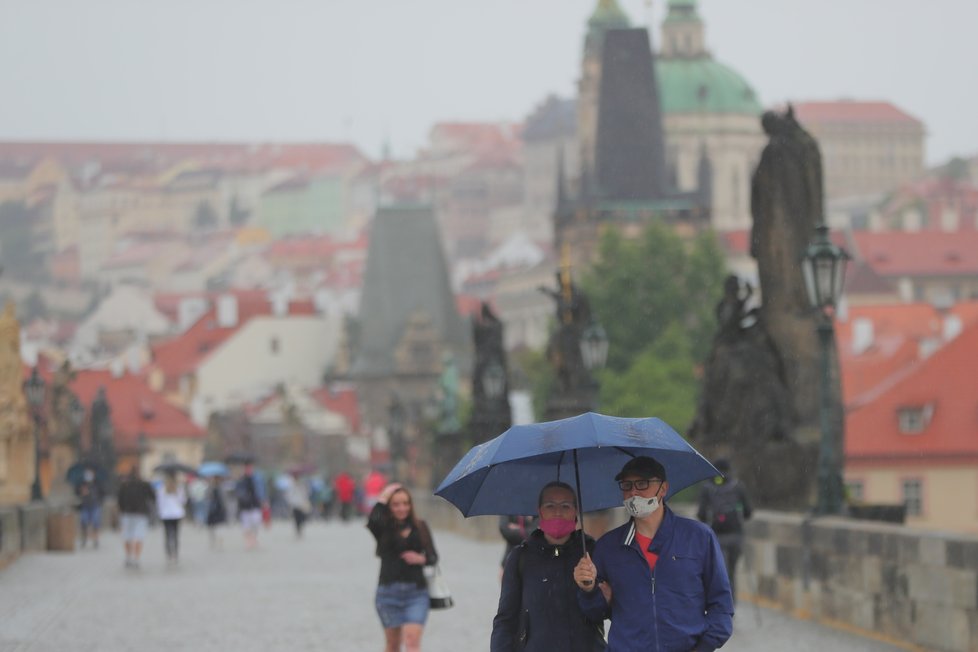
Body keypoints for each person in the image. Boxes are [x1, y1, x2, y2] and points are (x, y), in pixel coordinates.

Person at [574, 456, 733, 651]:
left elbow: (722, 606)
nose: (633, 492)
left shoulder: (699, 537)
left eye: (642, 484)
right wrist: (588, 590)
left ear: (663, 488)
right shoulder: (608, 547)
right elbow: (595, 614)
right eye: (626, 485)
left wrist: (703, 647)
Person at [491, 481, 606, 652]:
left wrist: (589, 590)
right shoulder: (520, 557)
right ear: (540, 512)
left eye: (566, 506)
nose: (558, 512)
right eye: (550, 506)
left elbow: (606, 613)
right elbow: (506, 620)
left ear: (576, 512)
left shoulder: (593, 553)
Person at [367, 483, 439, 652]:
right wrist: (383, 497)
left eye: (406, 503)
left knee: (412, 641)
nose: (402, 508)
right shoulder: (383, 528)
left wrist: (421, 559)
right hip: (388, 594)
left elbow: (433, 557)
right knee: (393, 645)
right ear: (389, 507)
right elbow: (372, 521)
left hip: (416, 594)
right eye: (396, 504)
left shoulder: (420, 526)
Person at [697, 458, 753, 603]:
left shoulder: (707, 487)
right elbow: (748, 512)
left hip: (715, 536)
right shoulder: (738, 486)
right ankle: (731, 604)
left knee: (717, 572)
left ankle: (719, 603)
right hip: (735, 535)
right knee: (732, 572)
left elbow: (701, 514)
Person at [116, 466, 156, 568]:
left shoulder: (125, 485)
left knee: (127, 536)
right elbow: (152, 497)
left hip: (127, 513)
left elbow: (119, 500)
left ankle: (128, 557)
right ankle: (136, 558)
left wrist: (122, 509)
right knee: (138, 536)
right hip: (140, 513)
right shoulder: (144, 484)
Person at [156, 472, 187, 565]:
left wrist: (160, 513)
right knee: (176, 534)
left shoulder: (161, 490)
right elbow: (183, 501)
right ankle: (175, 553)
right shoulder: (179, 489)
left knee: (167, 534)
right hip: (176, 514)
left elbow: (159, 503)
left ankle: (169, 552)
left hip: (166, 514)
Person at [235, 463, 265, 549]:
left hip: (255, 504)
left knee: (256, 522)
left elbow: (262, 490)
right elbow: (237, 491)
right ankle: (249, 541)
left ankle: (254, 538)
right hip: (245, 505)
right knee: (246, 525)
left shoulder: (257, 478)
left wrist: (263, 500)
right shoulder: (241, 480)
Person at [75, 469, 104, 549]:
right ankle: (84, 539)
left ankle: (96, 539)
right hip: (85, 506)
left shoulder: (97, 483)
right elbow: (76, 492)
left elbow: (102, 493)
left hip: (95, 505)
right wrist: (81, 491)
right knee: (84, 522)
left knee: (96, 523)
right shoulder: (82, 484)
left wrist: (100, 501)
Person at [286, 472, 312, 538]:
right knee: (296, 518)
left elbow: (306, 493)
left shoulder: (302, 484)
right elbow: (289, 495)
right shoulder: (291, 485)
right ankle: (298, 529)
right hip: (294, 504)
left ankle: (300, 528)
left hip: (301, 504)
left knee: (301, 517)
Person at [205, 475, 228, 549]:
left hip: (214, 510)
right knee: (218, 527)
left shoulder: (212, 487)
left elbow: (207, 497)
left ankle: (215, 542)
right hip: (217, 510)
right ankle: (218, 542)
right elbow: (224, 500)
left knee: (213, 527)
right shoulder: (216, 488)